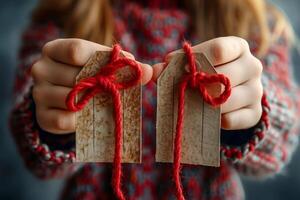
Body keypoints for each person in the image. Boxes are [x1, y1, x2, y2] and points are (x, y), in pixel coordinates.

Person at [10, 0, 300, 199]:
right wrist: (49, 120)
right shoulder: (59, 19)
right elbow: (37, 158)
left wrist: (252, 111)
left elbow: (281, 141)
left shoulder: (258, 24)